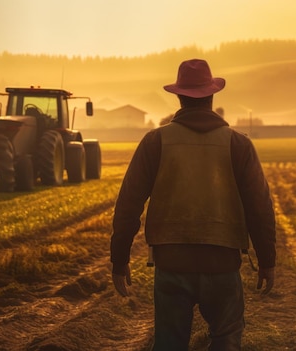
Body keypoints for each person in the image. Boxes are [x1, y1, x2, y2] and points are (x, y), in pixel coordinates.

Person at [110, 58, 277, 351]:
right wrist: (267, 261)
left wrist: (119, 258)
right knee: (226, 339)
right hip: (223, 264)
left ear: (179, 96)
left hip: (171, 264)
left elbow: (128, 205)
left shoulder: (155, 142)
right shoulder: (239, 145)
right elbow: (260, 209)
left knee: (169, 344)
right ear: (212, 96)